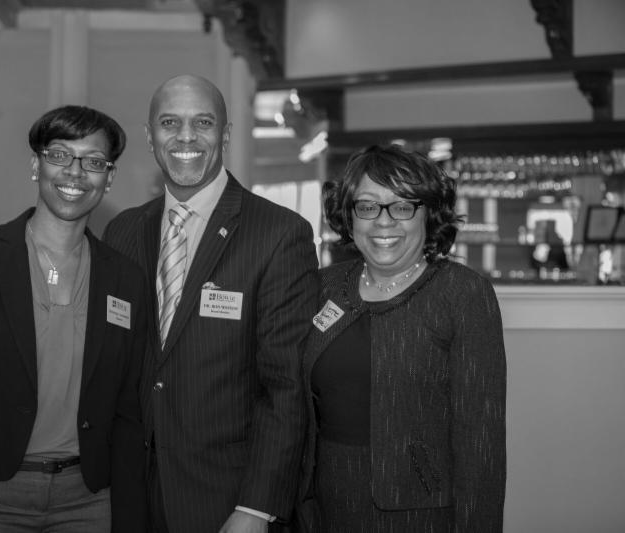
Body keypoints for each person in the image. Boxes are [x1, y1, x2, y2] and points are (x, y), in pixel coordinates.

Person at [0, 105, 148, 533]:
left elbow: (128, 413)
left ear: (109, 178)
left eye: (94, 162)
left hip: (88, 501)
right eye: (59, 155)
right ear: (35, 165)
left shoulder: (126, 279)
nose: (75, 172)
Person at [103, 75, 319, 533]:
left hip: (226, 500)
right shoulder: (122, 232)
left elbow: (286, 387)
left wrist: (256, 508)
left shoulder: (279, 234)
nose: (186, 137)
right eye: (169, 123)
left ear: (225, 134)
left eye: (202, 122)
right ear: (149, 136)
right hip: (130, 496)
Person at [297, 144, 506, 532]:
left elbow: (480, 442)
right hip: (324, 506)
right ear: (349, 216)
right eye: (368, 206)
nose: (384, 221)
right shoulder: (322, 287)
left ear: (429, 214)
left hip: (420, 513)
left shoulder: (462, 293)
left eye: (403, 206)